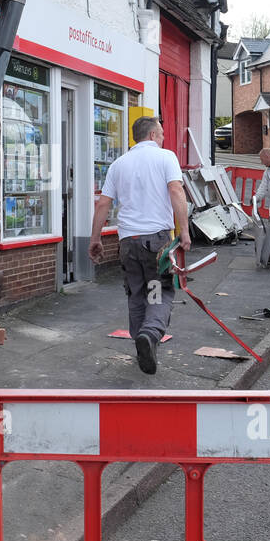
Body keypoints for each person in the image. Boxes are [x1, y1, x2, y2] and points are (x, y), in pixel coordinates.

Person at [89, 116, 191, 375]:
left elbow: (103, 204)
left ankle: (142, 347)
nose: (164, 138)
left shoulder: (119, 164)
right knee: (159, 290)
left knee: (136, 292)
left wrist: (95, 239)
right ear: (154, 134)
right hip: (156, 240)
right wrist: (185, 232)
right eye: (163, 133)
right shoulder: (166, 157)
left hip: (127, 242)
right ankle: (149, 333)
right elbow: (176, 192)